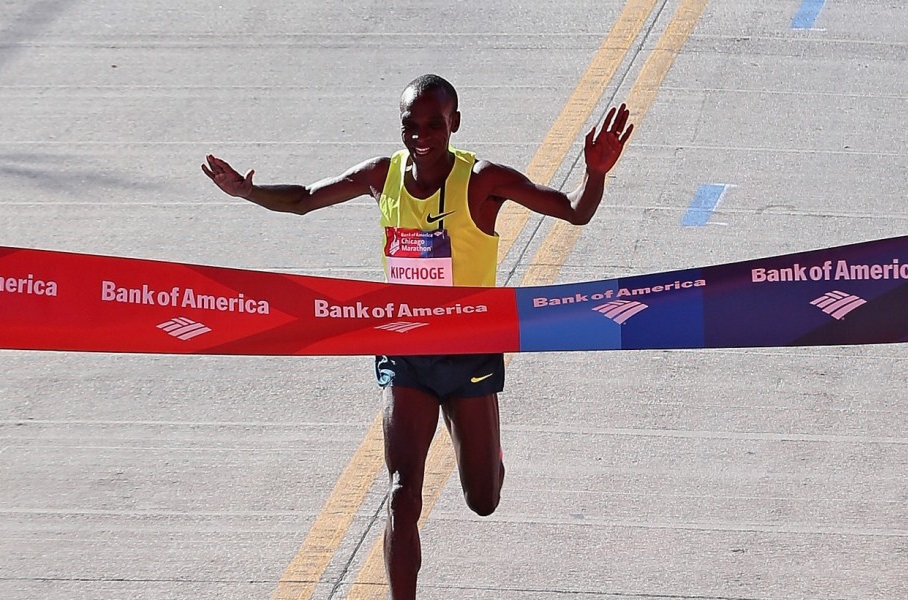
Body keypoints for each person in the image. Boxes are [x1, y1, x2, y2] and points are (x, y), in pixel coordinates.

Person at [202, 73, 632, 599]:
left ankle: (484, 452)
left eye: (434, 123)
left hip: (470, 351)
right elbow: (304, 199)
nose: (421, 134)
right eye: (411, 124)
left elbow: (573, 211)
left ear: (455, 122)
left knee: (483, 499)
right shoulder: (382, 176)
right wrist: (248, 192)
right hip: (406, 351)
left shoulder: (482, 180)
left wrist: (595, 174)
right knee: (403, 495)